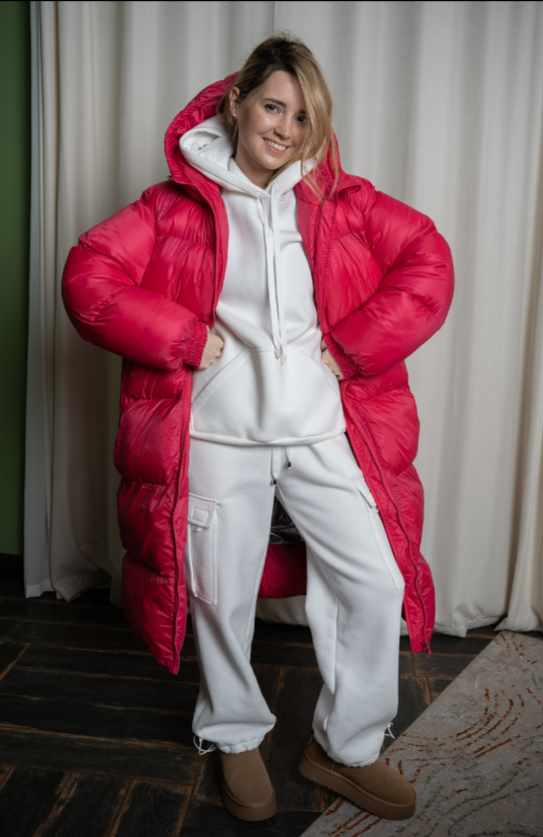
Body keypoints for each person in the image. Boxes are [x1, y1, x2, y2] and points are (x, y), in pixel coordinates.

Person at [62, 33, 454, 824]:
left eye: (303, 117)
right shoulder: (172, 205)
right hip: (217, 433)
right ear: (236, 103)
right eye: (273, 107)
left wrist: (353, 346)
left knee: (373, 578)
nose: (285, 128)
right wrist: (181, 336)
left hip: (317, 429)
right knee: (219, 589)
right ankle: (233, 732)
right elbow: (89, 277)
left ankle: (346, 747)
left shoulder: (341, 199)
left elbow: (428, 260)